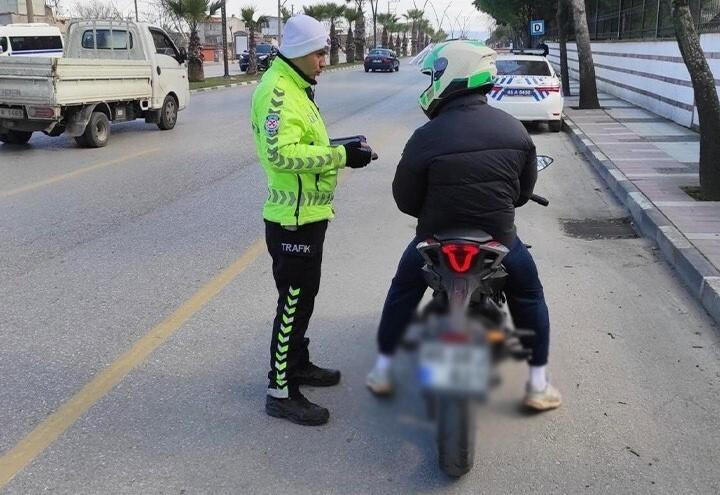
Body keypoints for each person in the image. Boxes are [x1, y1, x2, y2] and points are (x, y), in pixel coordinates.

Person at [365, 40, 562, 411]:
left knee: (404, 288)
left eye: (435, 75)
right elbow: (522, 195)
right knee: (529, 294)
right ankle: (538, 384)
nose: (431, 81)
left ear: (454, 76)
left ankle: (383, 369)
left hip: (433, 240)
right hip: (499, 240)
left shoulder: (425, 136)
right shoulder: (515, 131)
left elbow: (405, 200)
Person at [251, 14, 375, 426]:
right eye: (321, 53)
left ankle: (297, 364)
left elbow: (305, 143)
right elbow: (279, 154)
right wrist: (341, 156)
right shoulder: (278, 93)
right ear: (302, 52)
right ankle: (279, 390)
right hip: (293, 220)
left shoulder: (297, 87)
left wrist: (345, 145)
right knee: (292, 304)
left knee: (304, 299)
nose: (325, 60)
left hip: (309, 214)